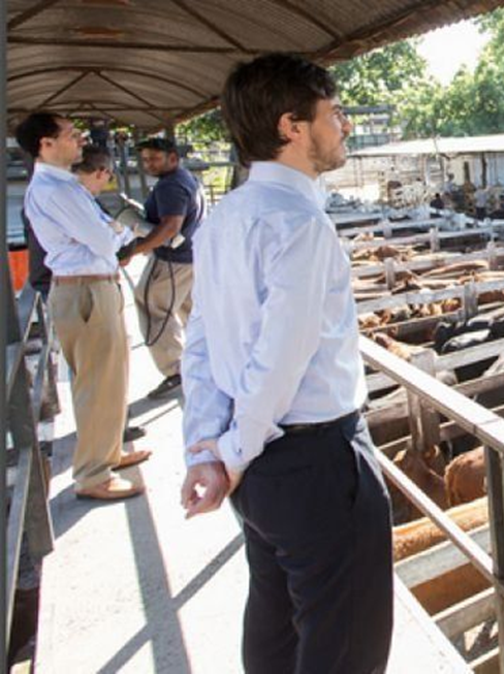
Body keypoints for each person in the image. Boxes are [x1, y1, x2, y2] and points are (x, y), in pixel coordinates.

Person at [179, 53, 392, 673]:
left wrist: (207, 451)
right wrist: (233, 455)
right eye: (333, 114)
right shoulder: (301, 224)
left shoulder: (225, 221)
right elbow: (280, 362)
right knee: (344, 645)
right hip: (316, 461)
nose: (343, 126)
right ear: (292, 127)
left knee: (275, 628)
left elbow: (202, 343)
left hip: (260, 474)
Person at [18, 113, 151, 500]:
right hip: (85, 290)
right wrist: (119, 229)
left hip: (91, 287)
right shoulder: (56, 190)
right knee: (96, 381)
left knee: (109, 376)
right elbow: (103, 238)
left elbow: (104, 234)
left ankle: (106, 453)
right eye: (70, 135)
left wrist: (113, 231)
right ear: (46, 144)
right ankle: (93, 474)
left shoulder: (62, 186)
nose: (79, 141)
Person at [123, 137, 206, 399]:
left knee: (151, 306)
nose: (149, 164)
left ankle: (174, 370)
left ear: (173, 158)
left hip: (171, 260)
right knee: (191, 312)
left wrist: (134, 249)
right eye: (145, 159)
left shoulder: (170, 186)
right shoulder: (184, 179)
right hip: (191, 257)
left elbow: (171, 227)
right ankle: (205, 362)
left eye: (155, 159)